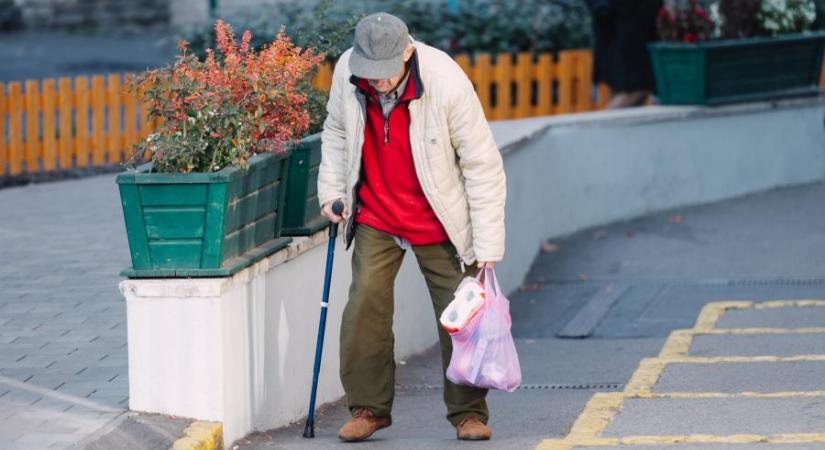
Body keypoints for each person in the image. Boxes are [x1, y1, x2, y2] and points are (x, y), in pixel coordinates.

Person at [317, 12, 506, 443]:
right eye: (371, 73)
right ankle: (368, 408)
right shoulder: (349, 70)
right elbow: (336, 132)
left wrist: (488, 241)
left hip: (439, 219)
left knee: (459, 318)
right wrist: (330, 192)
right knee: (365, 305)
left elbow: (482, 164)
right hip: (376, 213)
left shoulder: (446, 81)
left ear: (407, 51)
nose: (378, 82)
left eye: (386, 74)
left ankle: (468, 413)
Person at [586, 0, 663, 108]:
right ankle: (599, 124)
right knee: (636, 88)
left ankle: (604, 123)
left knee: (626, 91)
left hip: (629, 27)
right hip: (626, 31)